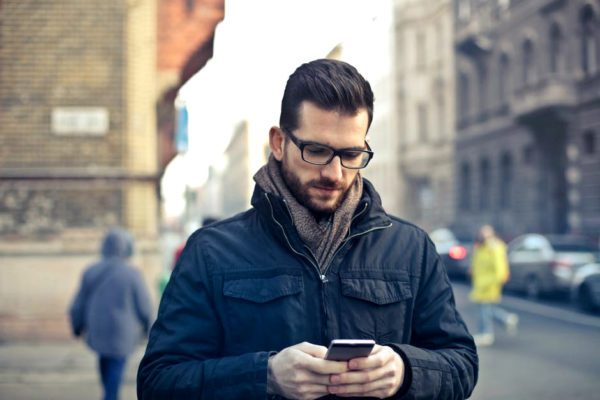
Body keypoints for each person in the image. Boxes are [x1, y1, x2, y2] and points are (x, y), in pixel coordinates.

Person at [137, 59, 477, 399]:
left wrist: (405, 371)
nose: (334, 173)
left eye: (351, 154)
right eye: (316, 150)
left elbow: (462, 364)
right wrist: (264, 376)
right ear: (278, 142)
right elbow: (158, 383)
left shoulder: (411, 247)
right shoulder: (210, 251)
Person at [69, 227, 153, 400]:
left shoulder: (91, 271)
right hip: (122, 333)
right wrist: (150, 329)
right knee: (115, 370)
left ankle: (109, 394)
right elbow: (144, 306)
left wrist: (77, 325)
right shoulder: (132, 274)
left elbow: (78, 303)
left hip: (98, 330)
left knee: (105, 365)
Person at [469, 224, 519, 347]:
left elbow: (500, 270)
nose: (483, 235)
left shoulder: (495, 248)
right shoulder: (481, 247)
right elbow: (477, 263)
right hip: (480, 283)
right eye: (481, 233)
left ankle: (486, 333)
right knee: (486, 309)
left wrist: (493, 281)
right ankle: (506, 318)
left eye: (485, 233)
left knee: (484, 309)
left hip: (489, 283)